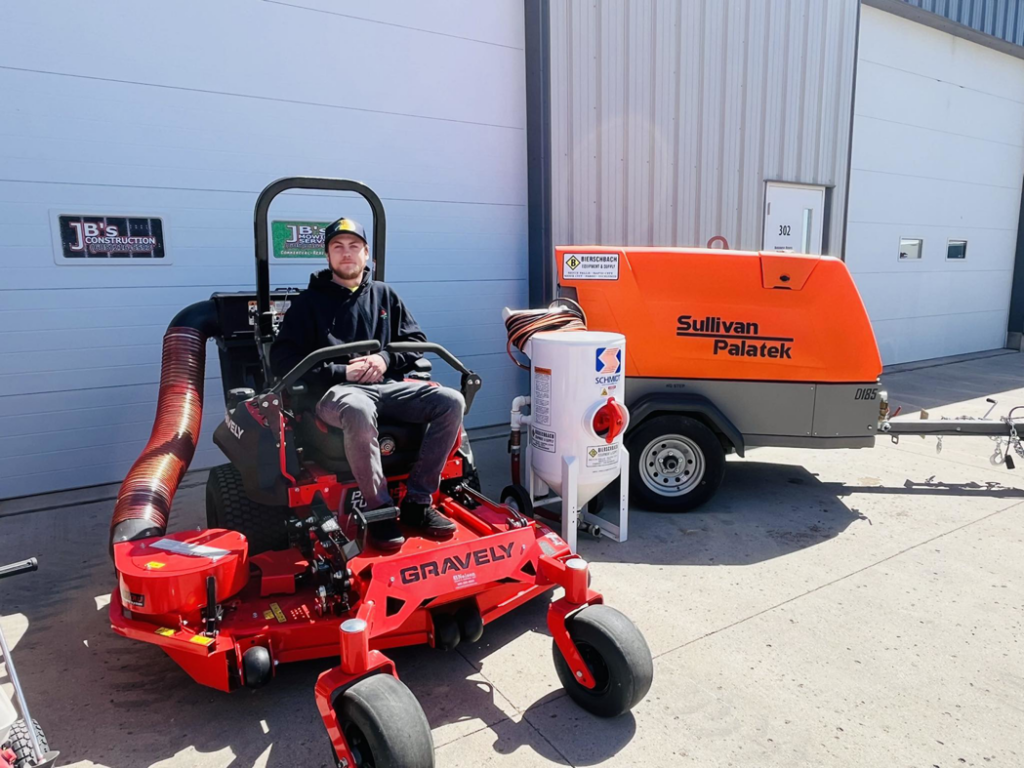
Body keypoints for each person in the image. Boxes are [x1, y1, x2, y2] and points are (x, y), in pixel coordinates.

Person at [270, 217, 462, 551]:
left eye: (354, 246)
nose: (347, 254)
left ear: (367, 253)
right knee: (358, 408)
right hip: (335, 394)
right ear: (328, 256)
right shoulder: (307, 304)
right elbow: (284, 362)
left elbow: (415, 340)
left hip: (386, 386)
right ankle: (380, 512)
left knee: (451, 401)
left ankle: (418, 503)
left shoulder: (385, 295)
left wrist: (385, 359)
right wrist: (342, 372)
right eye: (337, 247)